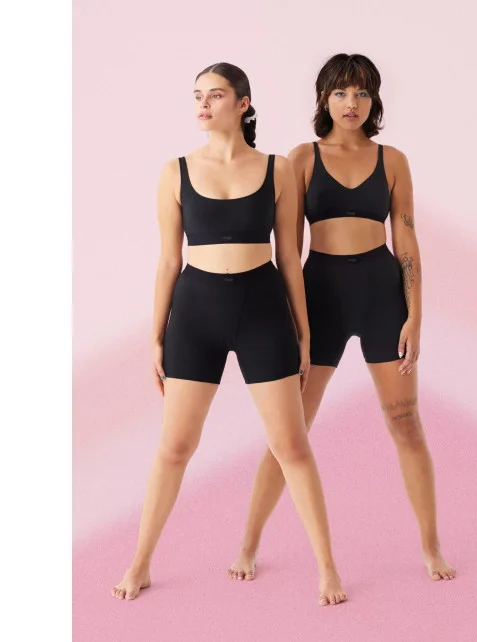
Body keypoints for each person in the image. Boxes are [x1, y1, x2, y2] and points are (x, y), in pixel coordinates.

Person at [112, 62, 347, 605]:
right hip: (196, 315)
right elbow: (168, 261)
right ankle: (140, 562)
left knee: (291, 444)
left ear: (243, 104)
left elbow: (290, 258)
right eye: (197, 95)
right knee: (175, 446)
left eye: (215, 95)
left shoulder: (276, 169)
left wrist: (304, 332)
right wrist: (155, 337)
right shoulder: (175, 172)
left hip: (262, 310)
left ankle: (327, 568)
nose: (203, 104)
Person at [229, 53, 456, 582]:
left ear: (374, 100)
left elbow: (407, 241)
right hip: (320, 299)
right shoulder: (302, 158)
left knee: (406, 423)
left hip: (382, 298)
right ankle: (248, 544)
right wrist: (296, 325)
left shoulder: (392, 160)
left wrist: (415, 317)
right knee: (290, 433)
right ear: (323, 98)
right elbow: (288, 250)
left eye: (361, 93)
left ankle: (431, 546)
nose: (351, 103)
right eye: (340, 92)